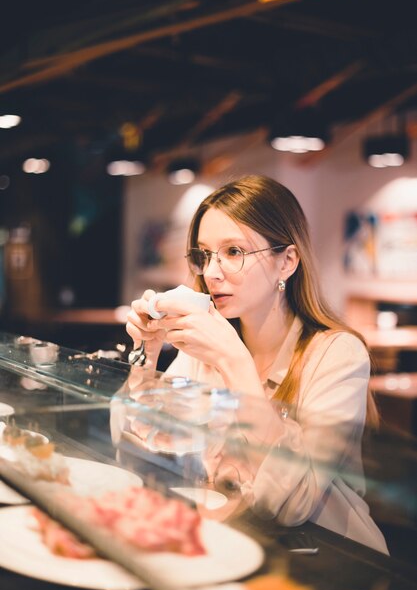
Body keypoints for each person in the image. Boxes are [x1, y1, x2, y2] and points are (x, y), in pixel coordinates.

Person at [126, 174, 388, 554]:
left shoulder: (338, 355)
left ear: (287, 262)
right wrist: (146, 357)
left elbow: (293, 504)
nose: (212, 272)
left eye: (234, 252)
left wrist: (235, 363)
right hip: (233, 542)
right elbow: (147, 442)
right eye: (204, 254)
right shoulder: (207, 344)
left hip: (330, 561)